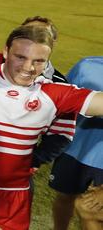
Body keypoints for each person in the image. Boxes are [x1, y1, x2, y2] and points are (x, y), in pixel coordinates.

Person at [0, 25, 103, 230]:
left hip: (12, 192)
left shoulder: (54, 93)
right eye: (20, 57)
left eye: (39, 61)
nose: (29, 67)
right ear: (6, 51)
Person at [50, 56, 103, 230]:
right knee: (65, 197)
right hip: (74, 149)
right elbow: (61, 101)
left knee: (91, 211)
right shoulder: (87, 65)